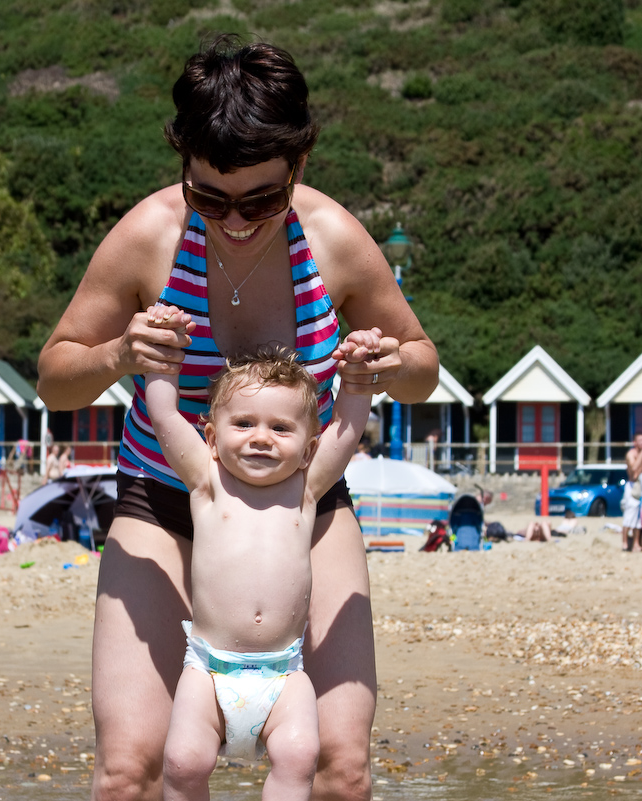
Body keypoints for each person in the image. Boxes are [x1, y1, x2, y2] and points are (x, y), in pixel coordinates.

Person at [37, 34, 438, 801]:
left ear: (300, 163)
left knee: (340, 765)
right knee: (130, 771)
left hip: (305, 506)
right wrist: (121, 352)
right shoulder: (149, 234)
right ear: (184, 163)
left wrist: (383, 366)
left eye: (262, 198)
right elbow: (57, 378)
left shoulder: (333, 241)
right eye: (210, 197)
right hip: (162, 501)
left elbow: (422, 367)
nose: (238, 220)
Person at [145, 325, 372, 799]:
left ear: (309, 447)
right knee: (183, 762)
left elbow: (347, 432)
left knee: (300, 755)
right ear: (210, 436)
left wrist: (356, 380)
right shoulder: (207, 484)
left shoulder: (306, 491)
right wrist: (163, 365)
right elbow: (164, 416)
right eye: (244, 423)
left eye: (281, 428)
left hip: (284, 674)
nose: (261, 438)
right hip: (208, 671)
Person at [621, 432, 642, 552]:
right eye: (639, 440)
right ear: (635, 442)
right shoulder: (631, 454)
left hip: (639, 486)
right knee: (629, 516)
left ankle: (636, 544)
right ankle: (624, 543)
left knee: (638, 518)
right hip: (632, 486)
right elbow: (634, 469)